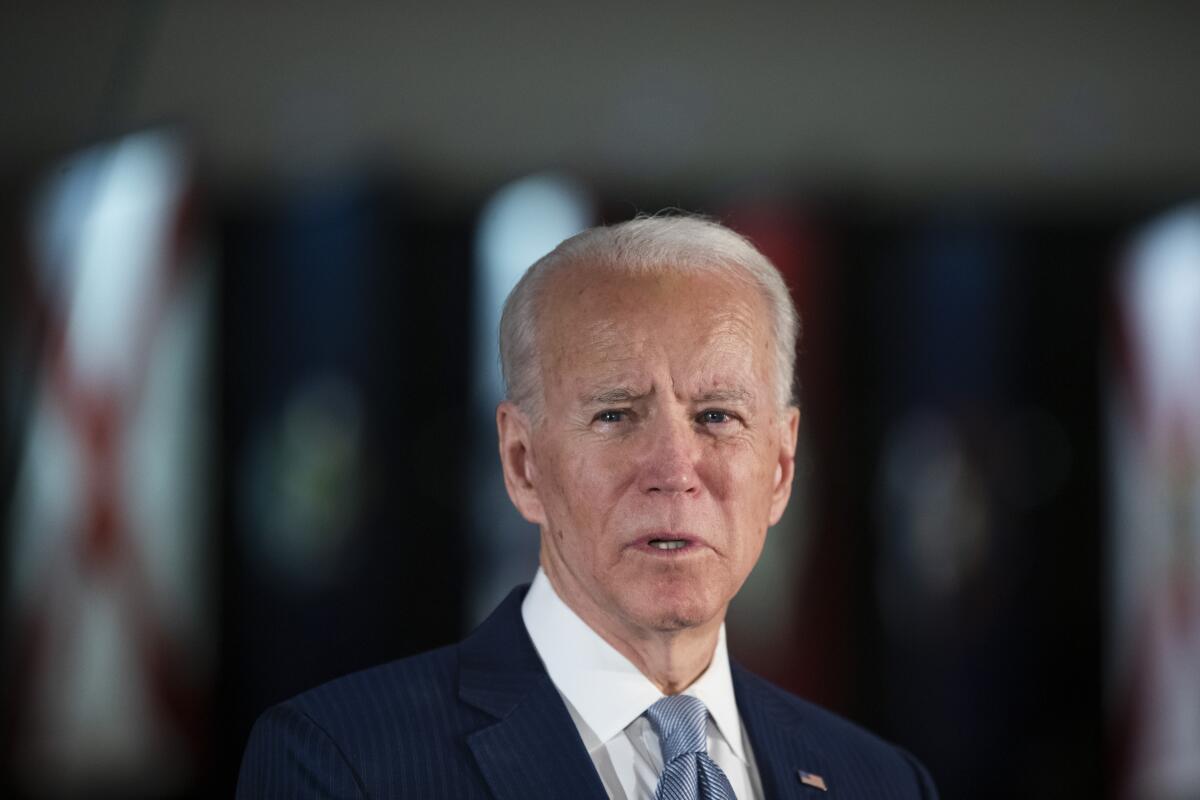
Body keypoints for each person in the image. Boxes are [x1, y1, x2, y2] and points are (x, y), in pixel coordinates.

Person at [237, 215, 937, 799]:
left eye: (718, 415)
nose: (674, 470)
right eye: (615, 415)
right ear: (523, 464)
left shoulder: (880, 783)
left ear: (781, 466)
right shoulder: (341, 763)